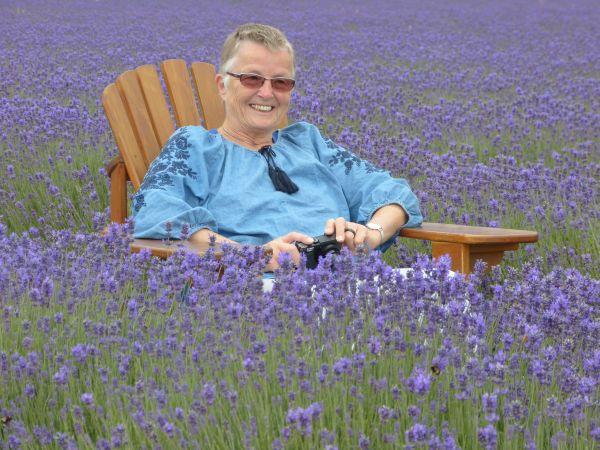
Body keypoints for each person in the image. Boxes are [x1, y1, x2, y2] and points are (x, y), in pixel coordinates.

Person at [132, 23, 423, 278]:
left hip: (351, 283)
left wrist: (370, 234)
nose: (267, 93)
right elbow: (155, 209)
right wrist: (254, 254)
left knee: (450, 291)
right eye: (252, 79)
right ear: (222, 85)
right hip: (254, 295)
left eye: (280, 82)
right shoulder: (196, 148)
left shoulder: (309, 143)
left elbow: (393, 193)